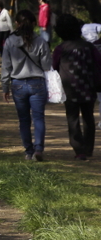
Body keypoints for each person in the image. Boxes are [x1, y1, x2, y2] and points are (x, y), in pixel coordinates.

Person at [2, 9, 51, 161]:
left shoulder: (10, 41)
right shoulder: (41, 42)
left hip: (18, 84)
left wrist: (5, 86)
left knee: (24, 119)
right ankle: (39, 149)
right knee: (38, 118)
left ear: (16, 23)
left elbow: (6, 67)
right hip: (37, 83)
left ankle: (28, 151)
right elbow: (46, 66)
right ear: (34, 23)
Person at [52, 15, 101, 160]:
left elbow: (54, 66)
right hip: (88, 87)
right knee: (88, 118)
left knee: (72, 119)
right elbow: (99, 63)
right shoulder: (89, 46)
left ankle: (79, 149)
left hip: (69, 89)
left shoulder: (60, 48)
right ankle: (88, 148)